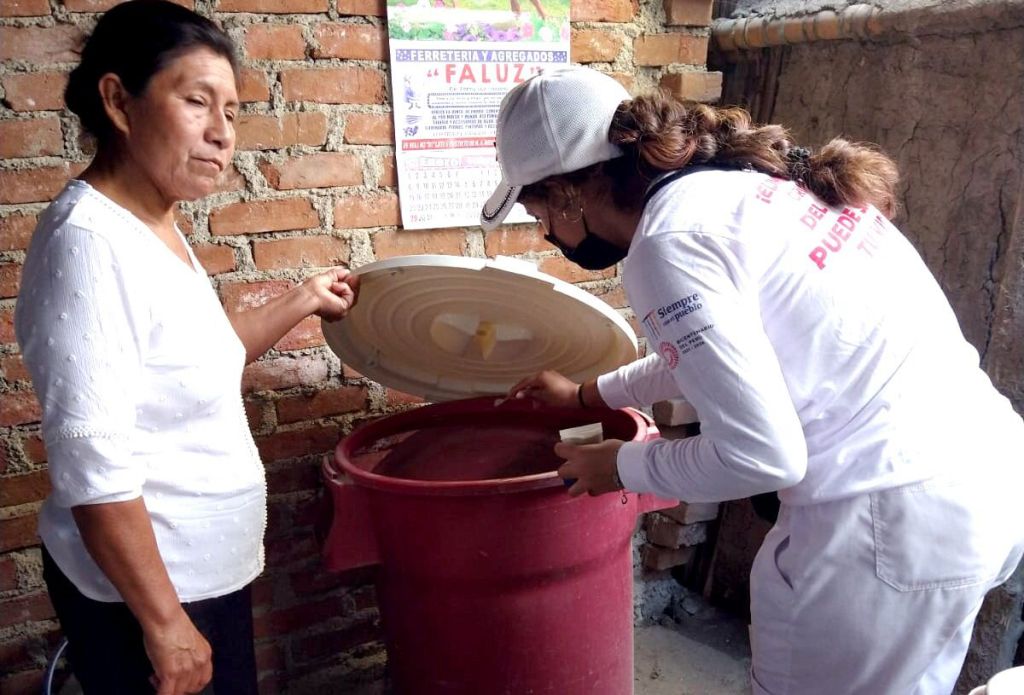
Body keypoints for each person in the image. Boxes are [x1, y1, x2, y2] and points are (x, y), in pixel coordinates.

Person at [484, 65, 1024, 695]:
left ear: (567, 192)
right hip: (983, 475)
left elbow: (763, 454)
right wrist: (587, 395)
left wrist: (622, 467)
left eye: (536, 209)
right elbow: (722, 360)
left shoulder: (669, 242)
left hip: (883, 525)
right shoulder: (745, 186)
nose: (548, 234)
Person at [14, 2, 359, 693]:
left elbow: (199, 359)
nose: (221, 134)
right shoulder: (90, 243)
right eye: (196, 101)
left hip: (198, 574)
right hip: (146, 596)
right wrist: (165, 623)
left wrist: (302, 298)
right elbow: (92, 461)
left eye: (231, 112)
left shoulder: (153, 224)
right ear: (119, 101)